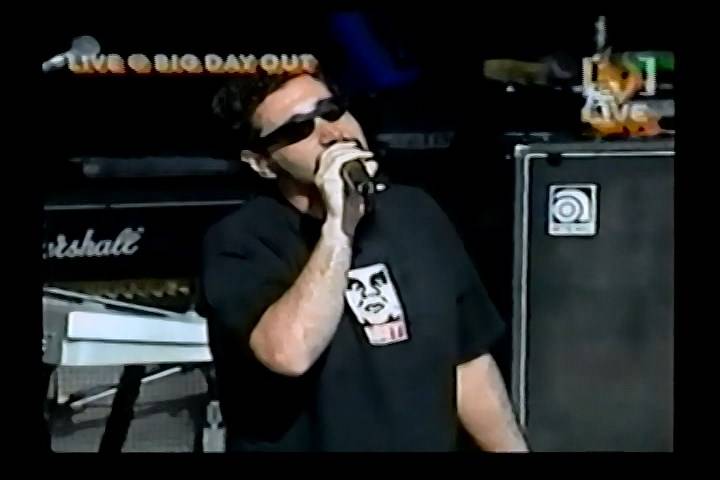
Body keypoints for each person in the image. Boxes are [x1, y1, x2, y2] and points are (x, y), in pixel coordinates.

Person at [198, 68, 529, 452]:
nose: (331, 133)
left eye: (331, 111)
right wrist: (340, 225)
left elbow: (467, 360)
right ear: (263, 163)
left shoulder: (415, 212)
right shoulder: (240, 240)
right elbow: (289, 354)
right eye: (298, 129)